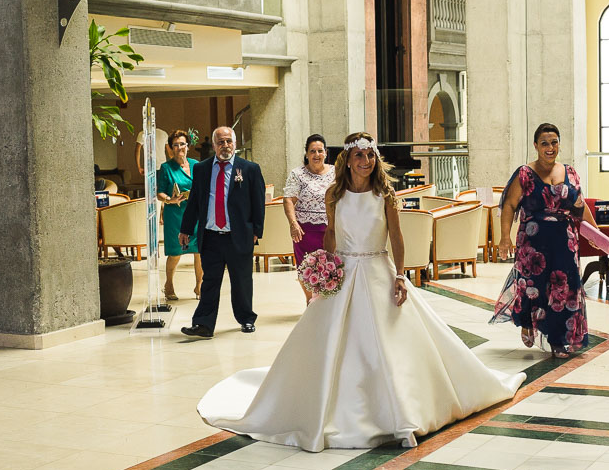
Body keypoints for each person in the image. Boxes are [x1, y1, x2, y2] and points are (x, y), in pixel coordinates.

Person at [196, 132, 524, 451]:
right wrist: (324, 268)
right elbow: (331, 236)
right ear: (348, 160)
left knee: (389, 343)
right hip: (344, 272)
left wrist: (399, 275)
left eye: (370, 155)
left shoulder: (386, 196)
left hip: (379, 271)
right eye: (358, 155)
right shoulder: (334, 196)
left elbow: (396, 238)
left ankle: (400, 409)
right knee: (332, 342)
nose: (365, 161)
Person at [492, 123, 596, 359]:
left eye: (554, 142)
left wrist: (596, 233)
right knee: (533, 287)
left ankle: (559, 340)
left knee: (565, 290)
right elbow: (509, 206)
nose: (550, 148)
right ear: (536, 146)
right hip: (533, 245)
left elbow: (579, 207)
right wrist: (504, 238)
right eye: (545, 143)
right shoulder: (524, 174)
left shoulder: (570, 172)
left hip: (565, 243)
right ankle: (528, 321)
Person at [179, 126, 266, 337]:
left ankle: (246, 318)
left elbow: (258, 201)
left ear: (235, 144)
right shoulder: (202, 168)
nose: (225, 145)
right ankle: (203, 324)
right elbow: (194, 202)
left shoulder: (249, 169)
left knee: (242, 281)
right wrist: (186, 228)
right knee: (209, 281)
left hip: (239, 235)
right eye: (221, 142)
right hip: (210, 236)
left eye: (228, 141)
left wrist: (257, 230)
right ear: (214, 145)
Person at [283, 134, 335, 301]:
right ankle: (310, 300)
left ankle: (325, 303)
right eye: (312, 151)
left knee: (329, 268)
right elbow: (289, 200)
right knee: (305, 268)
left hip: (330, 229)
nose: (316, 155)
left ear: (326, 153)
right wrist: (293, 223)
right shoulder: (298, 174)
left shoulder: (336, 172)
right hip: (304, 231)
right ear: (306, 154)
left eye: (320, 151)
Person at [156, 130, 202, 300]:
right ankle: (169, 284)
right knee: (176, 252)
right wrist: (170, 199)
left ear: (188, 146)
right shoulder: (166, 168)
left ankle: (199, 286)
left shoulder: (196, 165)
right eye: (175, 145)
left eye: (182, 144)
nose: (179, 148)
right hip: (175, 215)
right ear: (170, 148)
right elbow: (159, 192)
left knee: (200, 251)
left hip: (196, 214)